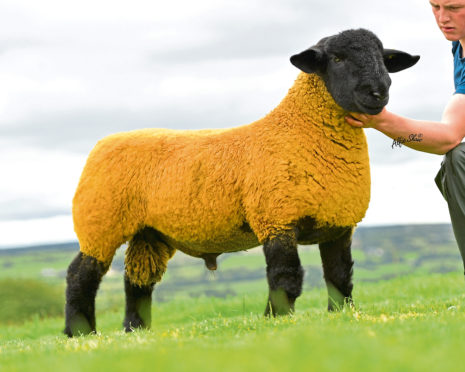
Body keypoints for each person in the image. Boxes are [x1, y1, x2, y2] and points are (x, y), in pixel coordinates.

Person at [345, 0, 465, 274]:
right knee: (453, 168)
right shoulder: (459, 46)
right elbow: (454, 126)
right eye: (435, 6)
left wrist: (380, 120)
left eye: (454, 7)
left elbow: (449, 138)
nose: (442, 17)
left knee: (459, 160)